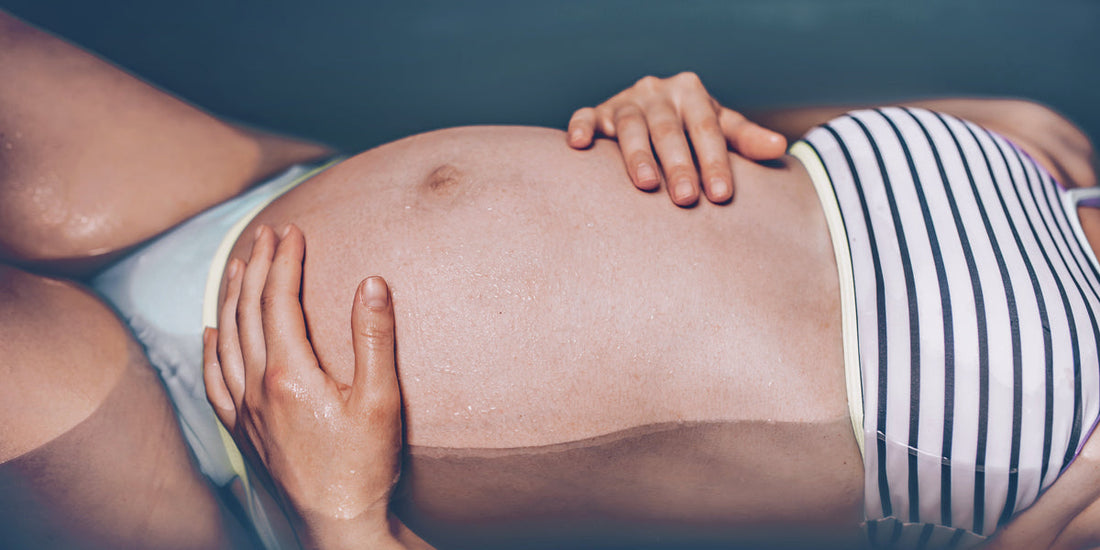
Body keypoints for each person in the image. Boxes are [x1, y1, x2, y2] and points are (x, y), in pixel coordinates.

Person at [2, 7, 1099, 549]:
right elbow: (759, 167)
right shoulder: (1044, 147)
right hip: (262, 188)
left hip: (225, 462)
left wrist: (343, 514)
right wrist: (669, 110)